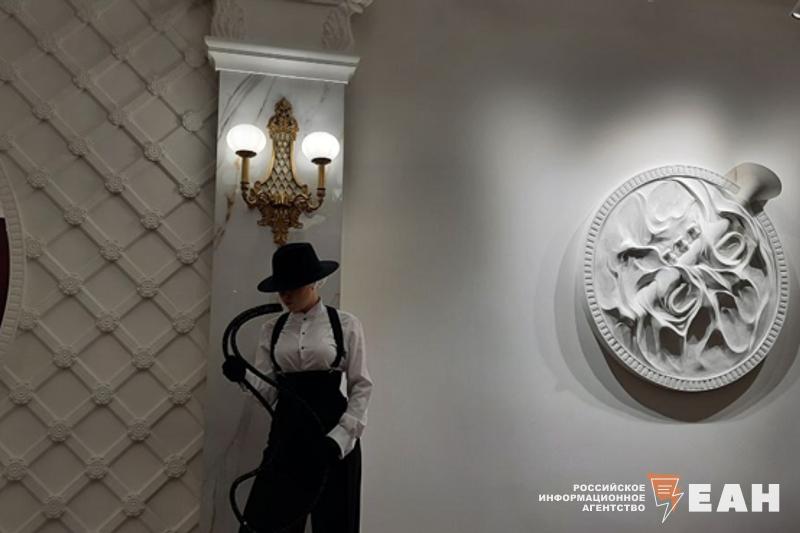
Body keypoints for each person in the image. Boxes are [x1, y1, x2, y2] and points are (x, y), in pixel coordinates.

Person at [222, 242, 373, 533]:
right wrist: (242, 375)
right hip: (286, 433)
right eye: (281, 288)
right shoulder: (272, 329)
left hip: (332, 435)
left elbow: (361, 385)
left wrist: (340, 438)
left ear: (314, 282)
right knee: (265, 521)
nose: (285, 295)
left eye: (292, 287)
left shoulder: (345, 324)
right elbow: (268, 391)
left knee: (335, 522)